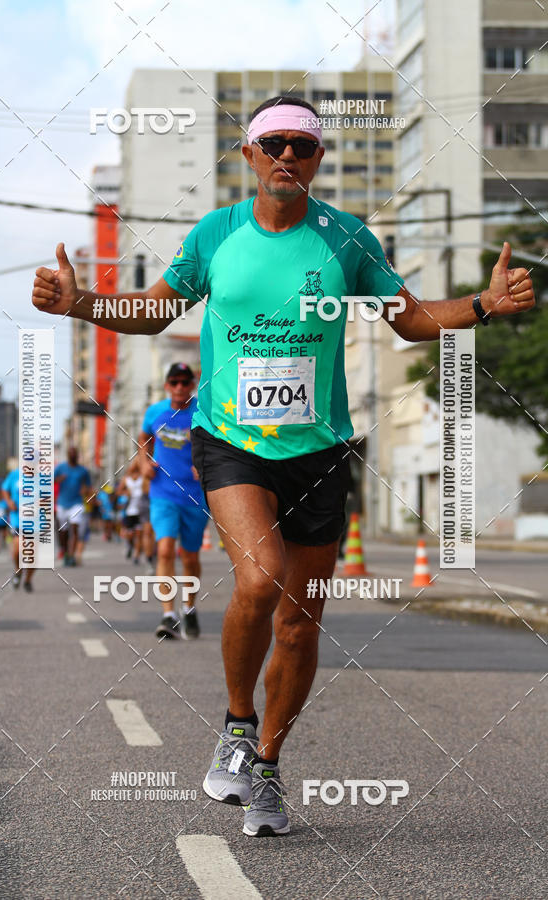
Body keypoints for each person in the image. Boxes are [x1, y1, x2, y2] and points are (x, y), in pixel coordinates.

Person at [31, 94, 536, 836]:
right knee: (259, 576)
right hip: (232, 439)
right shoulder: (216, 235)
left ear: (318, 158)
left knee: (301, 629)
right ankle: (236, 728)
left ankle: (266, 767)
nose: (288, 157)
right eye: (275, 145)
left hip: (322, 451)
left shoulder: (347, 239)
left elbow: (410, 319)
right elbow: (153, 311)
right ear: (250, 157)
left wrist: (484, 306)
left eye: (302, 145)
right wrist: (82, 305)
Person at [138, 364, 208, 639]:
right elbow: (144, 438)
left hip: (194, 496)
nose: (180, 387)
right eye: (174, 382)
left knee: (190, 557)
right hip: (162, 492)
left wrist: (204, 464)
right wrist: (144, 462)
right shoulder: (155, 412)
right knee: (165, 549)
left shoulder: (204, 413)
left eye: (185, 382)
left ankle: (189, 609)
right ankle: (168, 615)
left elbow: (220, 443)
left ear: (192, 384)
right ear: (167, 385)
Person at [54, 447, 91, 567]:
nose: (73, 456)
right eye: (71, 454)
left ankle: (71, 555)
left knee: (75, 528)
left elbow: (88, 486)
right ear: (68, 455)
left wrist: (86, 491)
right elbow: (49, 481)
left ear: (77, 456)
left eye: (75, 454)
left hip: (77, 503)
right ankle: (64, 551)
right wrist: (58, 479)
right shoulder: (60, 468)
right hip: (62, 504)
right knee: (63, 531)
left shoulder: (83, 471)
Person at [2, 465, 34, 592]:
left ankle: (27, 580)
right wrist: (9, 502)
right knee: (18, 549)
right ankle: (18, 570)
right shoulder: (15, 474)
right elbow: (5, 489)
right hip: (17, 518)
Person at [117, 458, 146, 564]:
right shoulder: (126, 479)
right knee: (130, 534)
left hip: (141, 510)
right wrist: (125, 492)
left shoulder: (143, 477)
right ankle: (129, 546)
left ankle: (137, 556)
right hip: (129, 511)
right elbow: (119, 491)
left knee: (139, 534)